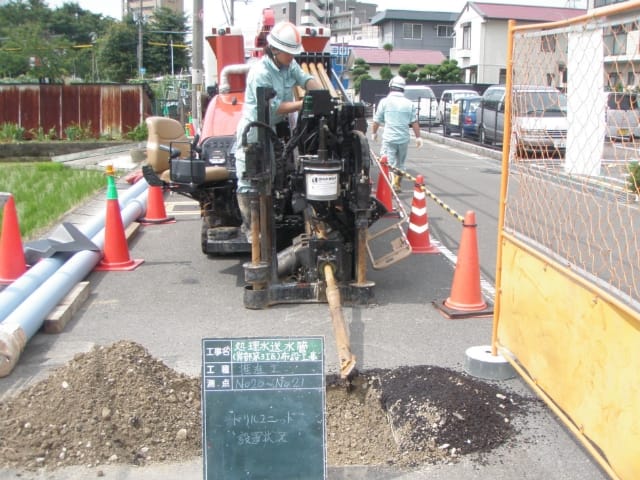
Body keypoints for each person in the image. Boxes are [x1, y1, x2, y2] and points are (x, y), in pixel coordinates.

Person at [234, 21, 322, 240]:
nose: (292, 57)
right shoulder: (260, 73)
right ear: (274, 50)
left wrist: (321, 94)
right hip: (254, 129)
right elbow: (274, 108)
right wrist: (304, 103)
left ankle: (267, 221)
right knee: (250, 177)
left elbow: (305, 79)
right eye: (288, 53)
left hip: (271, 128)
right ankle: (252, 228)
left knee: (271, 174)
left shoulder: (287, 65)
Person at [370, 76, 423, 192]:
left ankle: (391, 186)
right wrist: (418, 137)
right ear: (403, 89)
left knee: (389, 162)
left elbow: (377, 120)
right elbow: (414, 121)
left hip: (389, 137)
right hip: (404, 138)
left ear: (390, 87)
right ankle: (397, 184)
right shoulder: (409, 104)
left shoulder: (385, 102)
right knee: (401, 163)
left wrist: (374, 133)